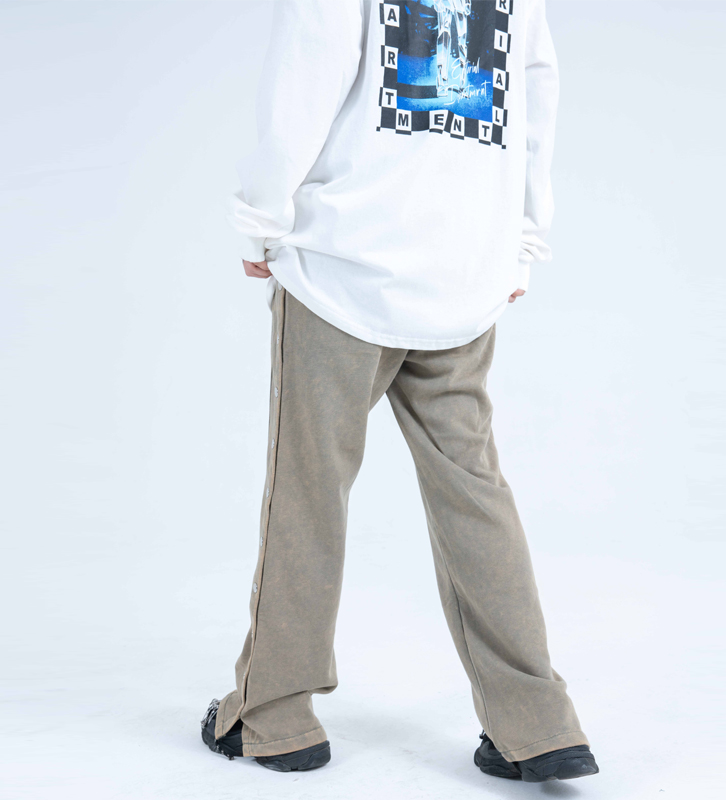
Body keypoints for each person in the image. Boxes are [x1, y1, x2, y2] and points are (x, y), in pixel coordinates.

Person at [201, 0, 599, 785]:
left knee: (309, 490)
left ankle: (274, 717)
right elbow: (534, 85)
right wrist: (522, 237)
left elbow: (304, 76)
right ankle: (538, 724)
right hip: (463, 270)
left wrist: (264, 218)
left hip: (345, 267)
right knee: (473, 492)